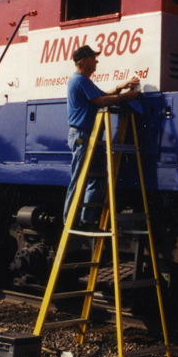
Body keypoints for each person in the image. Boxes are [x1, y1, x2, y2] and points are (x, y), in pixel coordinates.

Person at [64, 45, 140, 229]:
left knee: (97, 178)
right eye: (93, 58)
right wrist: (128, 96)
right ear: (83, 61)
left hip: (91, 136)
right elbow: (101, 101)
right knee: (80, 178)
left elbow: (103, 95)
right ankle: (70, 221)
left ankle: (87, 219)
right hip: (82, 136)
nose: (97, 61)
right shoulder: (79, 80)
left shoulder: (84, 81)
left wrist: (120, 87)